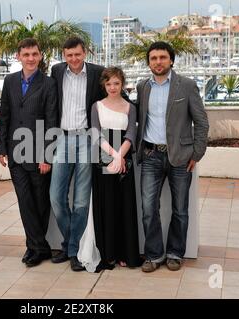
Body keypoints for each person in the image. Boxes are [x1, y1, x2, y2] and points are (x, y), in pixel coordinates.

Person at [135, 41, 209, 272]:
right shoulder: (142, 87)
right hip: (150, 155)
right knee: (148, 208)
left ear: (171, 60)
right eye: (154, 58)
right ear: (149, 62)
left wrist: (197, 153)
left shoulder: (186, 86)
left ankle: (176, 253)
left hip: (180, 157)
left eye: (162, 57)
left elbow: (201, 122)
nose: (158, 62)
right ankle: (154, 255)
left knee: (180, 209)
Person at [0, 38, 58, 268]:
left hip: (38, 154)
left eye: (34, 54)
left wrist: (47, 155)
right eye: (26, 54)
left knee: (41, 203)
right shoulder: (9, 81)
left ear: (40, 56)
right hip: (15, 153)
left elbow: (52, 120)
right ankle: (37, 247)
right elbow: (4, 116)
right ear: (18, 56)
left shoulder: (49, 84)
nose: (30, 58)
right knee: (25, 201)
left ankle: (35, 248)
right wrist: (2, 148)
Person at [49, 37, 105, 271]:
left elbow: (112, 96)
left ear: (85, 53)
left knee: (81, 201)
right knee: (56, 197)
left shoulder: (97, 73)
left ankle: (72, 250)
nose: (73, 59)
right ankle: (72, 244)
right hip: (62, 138)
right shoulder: (56, 71)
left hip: (87, 139)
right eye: (69, 55)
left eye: (77, 54)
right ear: (64, 55)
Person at [90, 67, 142, 270]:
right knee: (107, 204)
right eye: (109, 83)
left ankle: (125, 253)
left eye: (116, 83)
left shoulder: (130, 107)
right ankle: (108, 253)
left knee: (124, 205)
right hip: (103, 156)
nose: (112, 87)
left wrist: (121, 156)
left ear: (122, 84)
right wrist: (113, 154)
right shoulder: (97, 106)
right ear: (104, 85)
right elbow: (95, 133)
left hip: (124, 158)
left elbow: (131, 133)